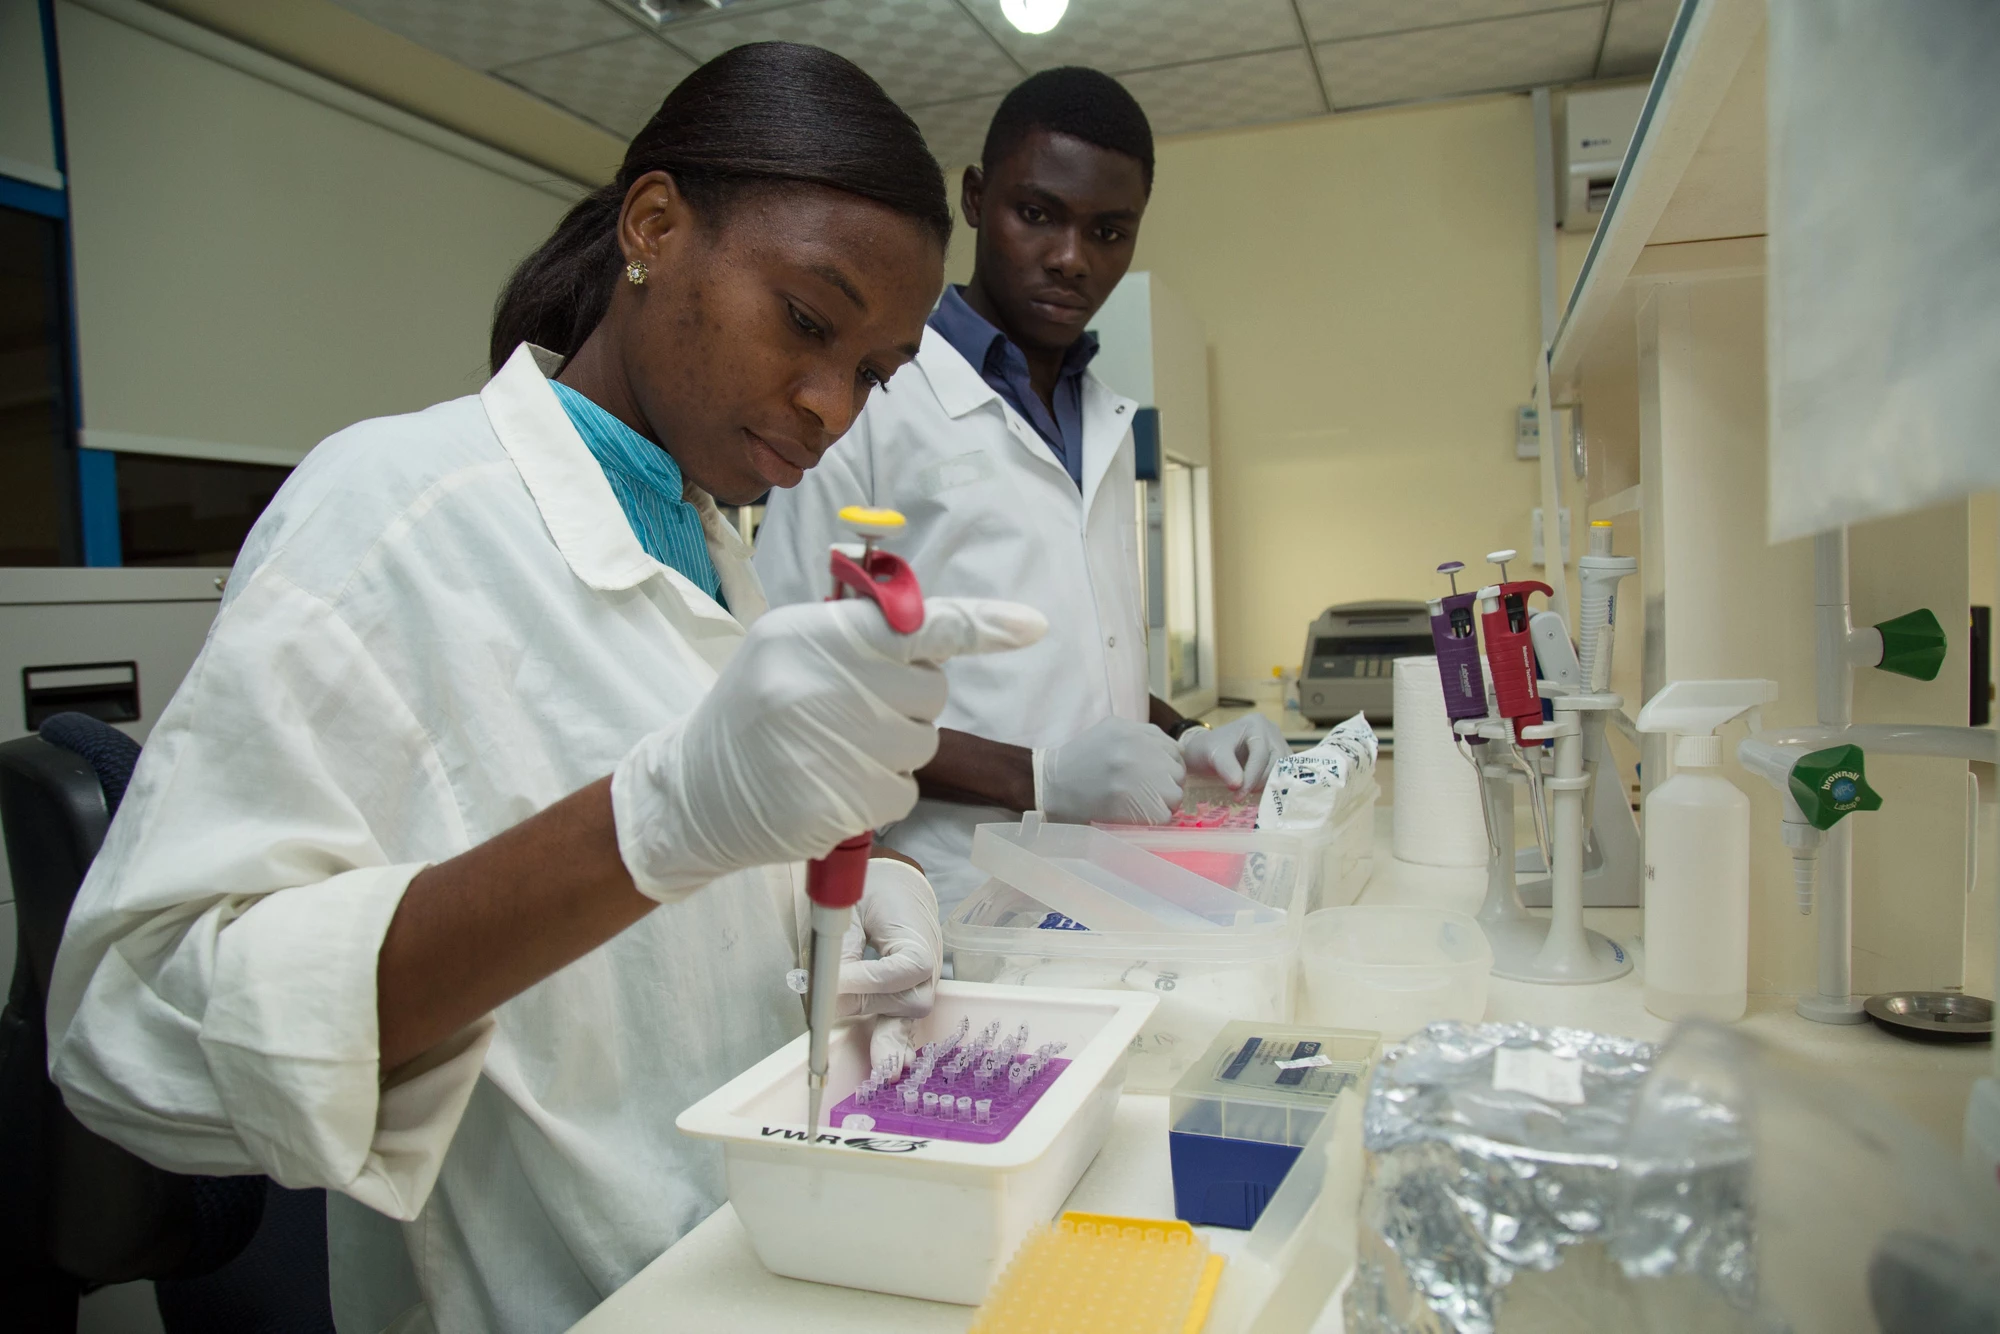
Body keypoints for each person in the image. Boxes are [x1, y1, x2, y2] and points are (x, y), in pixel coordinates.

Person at [45, 44, 1043, 1334]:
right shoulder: (399, 510)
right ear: (654, 225)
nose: (825, 404)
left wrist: (849, 884)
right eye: (806, 320)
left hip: (755, 1261)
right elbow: (135, 1037)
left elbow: (667, 935)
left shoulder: (717, 547)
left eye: (872, 371)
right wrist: (643, 824)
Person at [755, 68, 1288, 911]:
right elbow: (795, 689)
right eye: (1036, 214)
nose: (1071, 258)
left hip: (1108, 886)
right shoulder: (876, 400)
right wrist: (1036, 778)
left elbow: (1067, 664)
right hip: (952, 894)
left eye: (1109, 231)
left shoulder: (1104, 423)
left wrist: (1190, 738)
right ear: (975, 198)